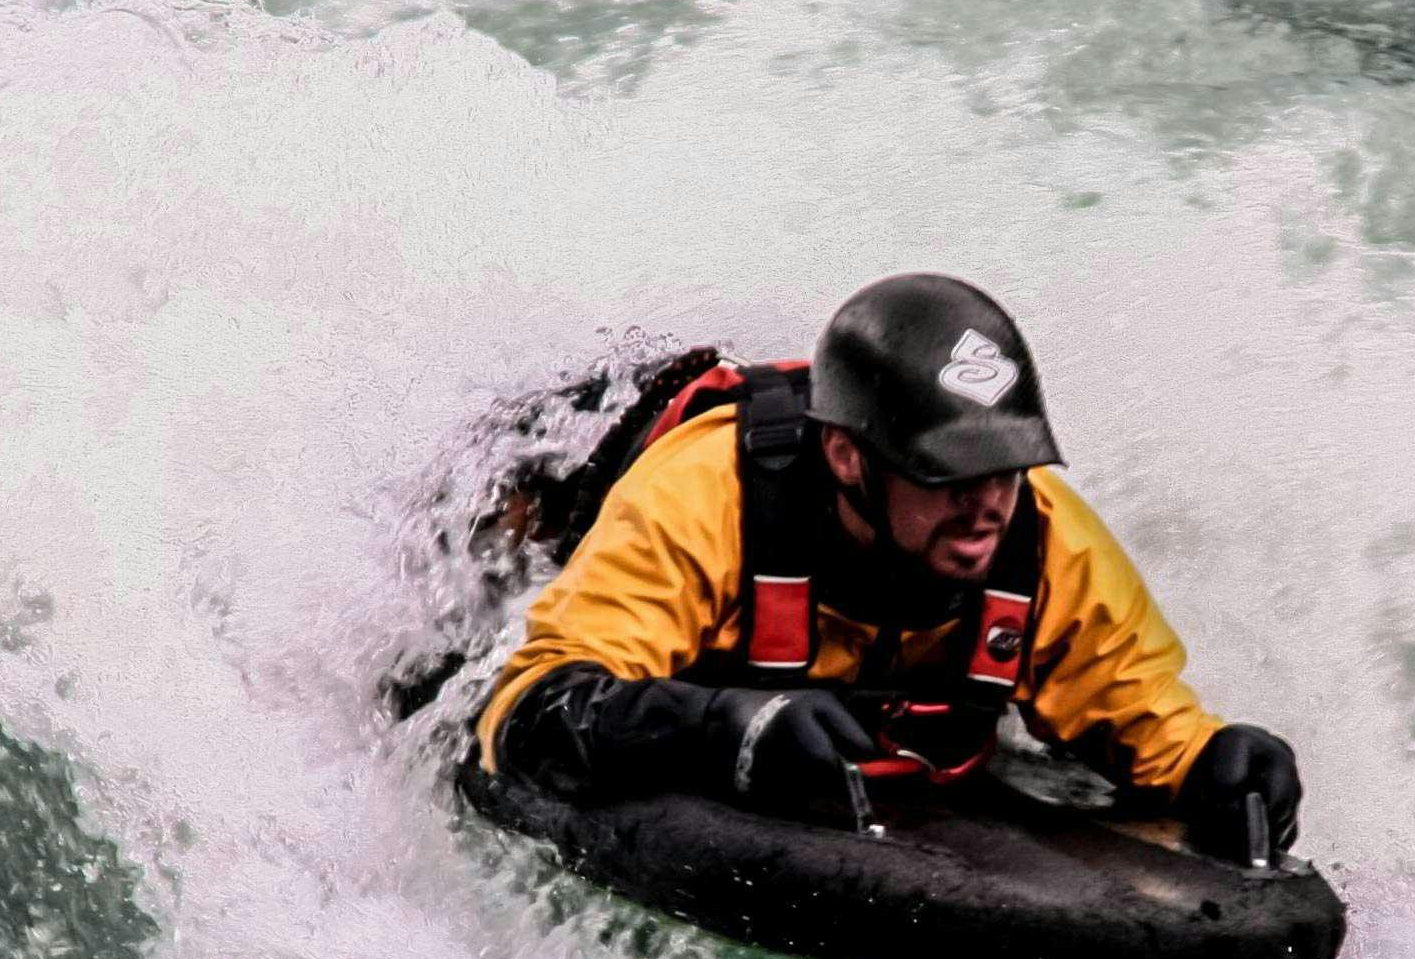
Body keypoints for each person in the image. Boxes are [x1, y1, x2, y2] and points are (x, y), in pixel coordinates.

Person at [472, 274, 1303, 860]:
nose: (988, 506)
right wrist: (726, 723)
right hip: (538, 499)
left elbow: (1145, 716)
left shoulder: (1047, 541)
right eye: (948, 474)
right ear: (846, 457)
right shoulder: (702, 501)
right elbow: (530, 708)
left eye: (1007, 469)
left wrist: (1218, 762)